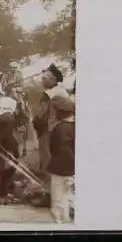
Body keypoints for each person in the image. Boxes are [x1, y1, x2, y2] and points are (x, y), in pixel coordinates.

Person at [31, 63, 70, 207]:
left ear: (53, 79)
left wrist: (35, 123)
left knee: (47, 164)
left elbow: (41, 117)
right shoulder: (63, 92)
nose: (42, 81)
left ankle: (48, 196)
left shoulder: (47, 95)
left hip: (48, 133)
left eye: (45, 78)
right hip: (64, 132)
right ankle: (59, 196)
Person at [48, 95, 75, 223]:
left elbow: (52, 147)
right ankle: (69, 219)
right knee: (70, 195)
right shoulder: (77, 127)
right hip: (73, 168)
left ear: (59, 112)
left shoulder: (57, 129)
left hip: (58, 168)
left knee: (57, 198)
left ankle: (59, 222)